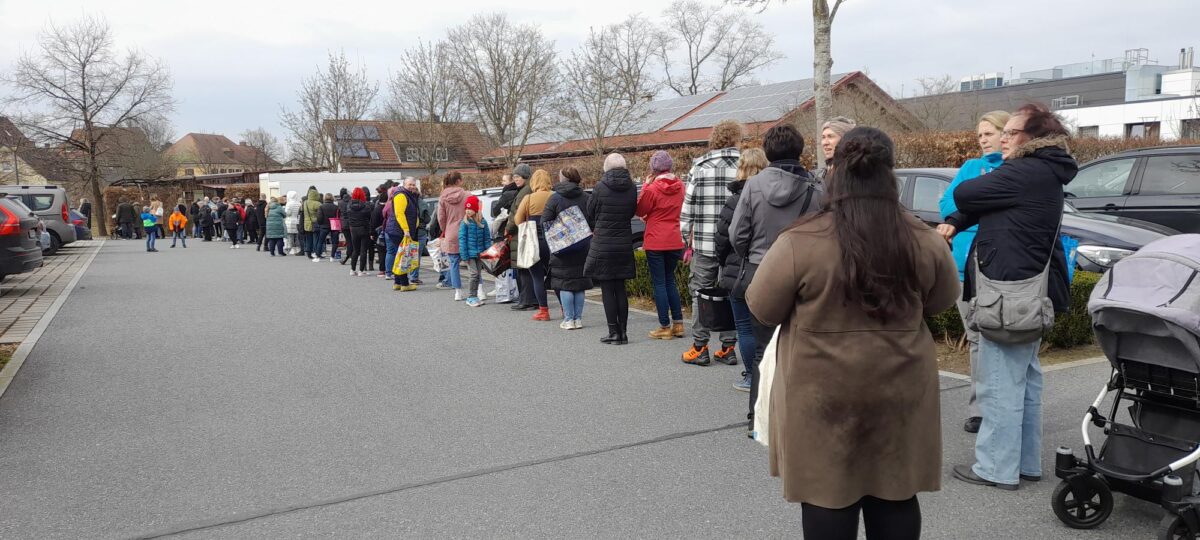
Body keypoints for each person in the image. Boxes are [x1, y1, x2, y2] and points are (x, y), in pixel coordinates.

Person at [747, 126, 960, 540]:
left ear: (835, 171)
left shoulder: (801, 240)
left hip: (821, 391)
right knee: (895, 493)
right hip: (900, 384)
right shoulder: (922, 238)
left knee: (827, 495)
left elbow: (763, 306)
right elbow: (941, 301)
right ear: (890, 174)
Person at [940, 103, 1077, 491]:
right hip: (1030, 291)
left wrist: (991, 168)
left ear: (1032, 138)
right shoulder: (1045, 171)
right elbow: (983, 208)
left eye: (1010, 133)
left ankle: (995, 467)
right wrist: (953, 223)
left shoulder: (1023, 170)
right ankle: (1026, 463)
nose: (1003, 138)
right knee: (1026, 379)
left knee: (1000, 381)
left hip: (1008, 293)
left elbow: (966, 193)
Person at [732, 123, 824, 423]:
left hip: (761, 272)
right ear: (801, 150)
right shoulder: (818, 188)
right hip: (805, 274)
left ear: (768, 151)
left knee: (763, 349)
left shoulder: (753, 186)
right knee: (803, 347)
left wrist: (752, 254)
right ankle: (800, 418)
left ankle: (757, 419)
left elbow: (737, 233)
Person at [939, 110, 1011, 435]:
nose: (983, 140)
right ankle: (980, 408)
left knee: (998, 338)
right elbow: (946, 205)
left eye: (989, 133)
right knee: (977, 338)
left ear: (1005, 133)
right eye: (980, 135)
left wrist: (974, 209)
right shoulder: (970, 168)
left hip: (997, 267)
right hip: (962, 265)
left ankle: (1002, 405)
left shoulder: (1014, 170)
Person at [680, 119, 743, 366]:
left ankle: (700, 346)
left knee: (700, 293)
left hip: (706, 243)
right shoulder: (746, 165)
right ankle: (728, 347)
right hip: (736, 243)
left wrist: (687, 239)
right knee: (731, 293)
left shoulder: (700, 166)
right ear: (737, 138)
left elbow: (687, 210)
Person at [715, 147, 768, 391]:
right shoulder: (772, 196)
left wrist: (724, 260)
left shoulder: (735, 199)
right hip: (769, 268)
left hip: (740, 270)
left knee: (744, 327)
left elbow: (723, 237)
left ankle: (750, 376)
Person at [585, 153, 638, 345]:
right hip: (624, 242)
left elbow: (590, 211)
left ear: (606, 168)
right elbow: (632, 211)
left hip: (604, 243)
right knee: (621, 288)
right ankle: (623, 332)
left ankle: (613, 332)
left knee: (608, 289)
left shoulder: (599, 187)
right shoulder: (632, 188)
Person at [637, 150, 686, 339]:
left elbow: (640, 208)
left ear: (653, 169)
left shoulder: (652, 188)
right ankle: (679, 324)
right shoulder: (680, 185)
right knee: (670, 280)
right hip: (675, 237)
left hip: (656, 239)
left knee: (659, 283)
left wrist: (645, 186)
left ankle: (664, 326)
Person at [542, 167, 592, 329]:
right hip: (583, 245)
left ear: (562, 179)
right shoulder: (586, 197)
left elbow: (545, 221)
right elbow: (593, 220)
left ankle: (568, 320)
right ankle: (578, 319)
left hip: (561, 247)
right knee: (579, 283)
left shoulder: (554, 198)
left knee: (564, 283)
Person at [514, 169, 555, 321]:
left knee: (537, 277)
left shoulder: (528, 198)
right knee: (556, 276)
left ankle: (543, 311)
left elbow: (518, 220)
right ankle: (565, 310)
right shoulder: (554, 196)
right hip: (552, 241)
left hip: (534, 241)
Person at [505, 164, 538, 311]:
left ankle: (527, 300)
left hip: (521, 233)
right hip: (524, 233)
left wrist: (507, 229)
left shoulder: (524, 192)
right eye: (514, 177)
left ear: (525, 176)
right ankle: (530, 299)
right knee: (527, 270)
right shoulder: (528, 189)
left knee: (523, 269)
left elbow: (516, 214)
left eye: (518, 176)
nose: (515, 179)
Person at [437, 172, 468, 300]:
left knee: (454, 263)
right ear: (459, 181)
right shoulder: (468, 195)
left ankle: (458, 292)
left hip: (451, 233)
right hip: (467, 231)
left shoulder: (442, 197)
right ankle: (479, 289)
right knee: (473, 262)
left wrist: (445, 230)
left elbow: (441, 217)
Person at [491, 174, 519, 304]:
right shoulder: (521, 192)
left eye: (504, 180)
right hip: (517, 232)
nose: (502, 183)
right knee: (515, 263)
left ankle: (503, 290)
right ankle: (515, 290)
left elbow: (496, 212)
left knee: (503, 263)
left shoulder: (507, 194)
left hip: (504, 232)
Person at [459, 196, 491, 307]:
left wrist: (487, 252)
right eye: (466, 208)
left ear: (476, 209)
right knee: (474, 274)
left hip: (480, 253)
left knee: (478, 275)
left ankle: (475, 296)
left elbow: (487, 237)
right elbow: (462, 239)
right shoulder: (465, 223)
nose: (467, 211)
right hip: (469, 254)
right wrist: (464, 255)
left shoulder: (483, 221)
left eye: (470, 208)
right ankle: (471, 297)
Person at [389, 181, 419, 292]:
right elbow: (399, 213)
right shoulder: (401, 195)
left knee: (400, 255)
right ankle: (405, 284)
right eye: (410, 184)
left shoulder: (408, 195)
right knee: (403, 257)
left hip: (399, 230)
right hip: (399, 231)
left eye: (414, 184)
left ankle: (397, 282)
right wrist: (406, 229)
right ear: (404, 184)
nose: (412, 186)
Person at [814, 116, 856, 181]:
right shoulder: (819, 176)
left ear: (845, 139)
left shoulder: (857, 174)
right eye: (823, 137)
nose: (825, 143)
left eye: (830, 136)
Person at [345, 187, 373, 276]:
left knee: (355, 250)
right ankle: (361, 270)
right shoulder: (366, 206)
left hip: (353, 229)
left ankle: (352, 270)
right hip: (364, 229)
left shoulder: (349, 205)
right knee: (363, 250)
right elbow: (369, 217)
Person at [404, 179, 426, 285]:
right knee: (416, 255)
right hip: (420, 231)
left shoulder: (406, 200)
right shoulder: (421, 203)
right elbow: (427, 218)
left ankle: (406, 275)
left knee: (407, 254)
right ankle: (414, 277)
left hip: (408, 231)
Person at [314, 193, 337, 261]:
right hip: (334, 225)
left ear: (324, 198)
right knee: (334, 242)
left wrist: (321, 224)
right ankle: (332, 257)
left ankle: (318, 256)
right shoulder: (336, 207)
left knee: (320, 241)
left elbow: (319, 217)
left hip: (324, 226)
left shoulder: (321, 206)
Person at [303, 186, 321, 257]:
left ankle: (308, 252)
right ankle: (316, 252)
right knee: (316, 239)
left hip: (307, 223)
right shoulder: (317, 203)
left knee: (308, 238)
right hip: (315, 223)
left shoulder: (305, 202)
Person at [284, 190, 301, 255]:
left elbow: (287, 213)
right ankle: (297, 249)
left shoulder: (289, 203)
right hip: (297, 221)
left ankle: (291, 249)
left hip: (290, 221)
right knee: (297, 236)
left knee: (290, 236)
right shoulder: (299, 203)